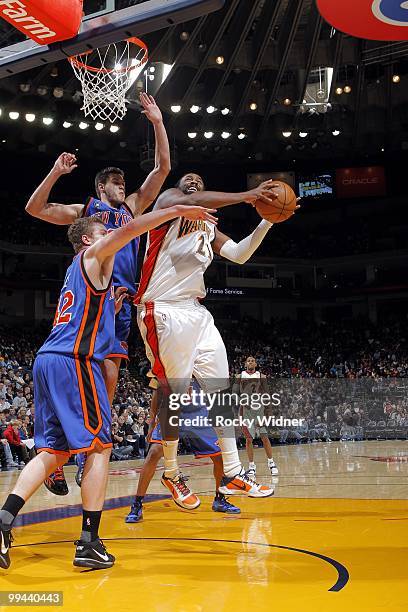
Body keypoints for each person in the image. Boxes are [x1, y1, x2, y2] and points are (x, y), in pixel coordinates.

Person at [0, 202, 217, 571]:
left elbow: (89, 314)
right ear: (88, 238)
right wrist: (177, 209)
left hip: (49, 360)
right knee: (99, 448)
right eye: (105, 233)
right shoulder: (93, 252)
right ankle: (89, 542)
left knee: (52, 451)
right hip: (74, 363)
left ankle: (4, 521)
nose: (113, 238)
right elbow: (131, 231)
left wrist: (111, 308)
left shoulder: (78, 271)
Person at [25, 93, 170, 493]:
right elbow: (35, 209)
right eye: (115, 181)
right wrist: (55, 172)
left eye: (124, 180)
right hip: (92, 296)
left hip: (121, 302)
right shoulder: (85, 210)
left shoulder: (136, 206)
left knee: (107, 380)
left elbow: (162, 169)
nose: (123, 184)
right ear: (100, 186)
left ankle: (85, 452)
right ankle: (55, 449)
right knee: (78, 369)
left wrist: (157, 122)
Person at [134, 173, 289, 508]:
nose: (192, 181)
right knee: (173, 394)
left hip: (196, 311)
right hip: (162, 309)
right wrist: (247, 194)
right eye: (187, 178)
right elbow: (189, 202)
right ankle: (172, 472)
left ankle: (233, 471)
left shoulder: (207, 226)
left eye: (199, 180)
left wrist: (266, 221)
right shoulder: (169, 204)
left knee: (221, 389)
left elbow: (238, 253)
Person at [125, 378, 240, 522]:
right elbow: (157, 391)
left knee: (219, 457)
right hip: (172, 411)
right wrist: (153, 418)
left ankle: (220, 499)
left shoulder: (204, 360)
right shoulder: (167, 358)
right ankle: (137, 504)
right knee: (154, 452)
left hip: (199, 413)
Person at [232, 356, 278, 477]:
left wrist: (269, 411)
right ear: (245, 364)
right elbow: (234, 394)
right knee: (248, 439)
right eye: (248, 361)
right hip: (245, 411)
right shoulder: (239, 376)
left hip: (259, 409)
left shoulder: (261, 377)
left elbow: (267, 394)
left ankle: (271, 463)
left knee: (264, 436)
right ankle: (251, 466)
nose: (250, 362)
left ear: (256, 364)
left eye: (252, 361)